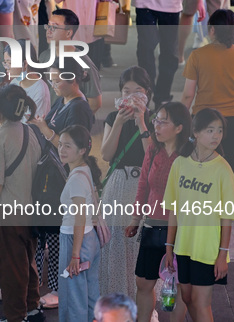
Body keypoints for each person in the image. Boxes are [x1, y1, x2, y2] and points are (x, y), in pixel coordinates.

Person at [28, 58, 94, 309]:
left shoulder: (80, 109)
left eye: (57, 79)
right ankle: (35, 281)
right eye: (52, 79)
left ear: (73, 80)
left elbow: (72, 148)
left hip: (61, 178)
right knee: (42, 228)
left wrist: (44, 128)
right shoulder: (62, 100)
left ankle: (57, 286)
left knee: (56, 232)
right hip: (48, 176)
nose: (53, 83)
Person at [115, 0, 205, 108]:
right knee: (145, 48)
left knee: (169, 53)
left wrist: (199, 0)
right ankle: (147, 93)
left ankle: (162, 95)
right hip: (144, 0)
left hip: (170, 2)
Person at [164, 108, 234, 322]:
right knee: (186, 297)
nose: (216, 136)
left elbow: (227, 216)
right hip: (183, 246)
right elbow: (173, 211)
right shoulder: (179, 164)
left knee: (201, 302)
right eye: (210, 130)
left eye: (219, 131)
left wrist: (222, 255)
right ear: (195, 132)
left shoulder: (223, 170)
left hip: (208, 249)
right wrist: (169, 248)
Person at [0, 84, 45, 322]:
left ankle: (16, 317)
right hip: (31, 212)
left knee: (10, 268)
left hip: (8, 213)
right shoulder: (30, 132)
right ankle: (32, 307)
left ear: (0, 109)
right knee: (27, 262)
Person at [124, 101, 191, 322]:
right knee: (143, 282)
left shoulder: (190, 155)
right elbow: (143, 183)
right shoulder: (153, 149)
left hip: (181, 228)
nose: (157, 126)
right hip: (153, 224)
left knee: (180, 284)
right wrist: (136, 217)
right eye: (156, 121)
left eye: (164, 122)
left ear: (179, 128)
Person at [181, 9, 234, 174]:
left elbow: (188, 95)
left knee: (201, 169)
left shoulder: (197, 56)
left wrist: (181, 118)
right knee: (228, 169)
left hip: (204, 118)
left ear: (212, 30)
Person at [99, 66, 152, 299]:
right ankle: (116, 299)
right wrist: (119, 124)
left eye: (137, 91)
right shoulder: (112, 117)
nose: (131, 96)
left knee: (140, 244)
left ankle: (140, 299)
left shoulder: (154, 119)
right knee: (116, 241)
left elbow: (152, 157)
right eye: (126, 90)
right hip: (118, 186)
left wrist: (141, 122)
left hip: (143, 187)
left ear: (147, 93)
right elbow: (107, 155)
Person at [57, 125, 102, 321]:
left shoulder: (76, 178)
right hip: (90, 239)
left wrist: (74, 255)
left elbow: (79, 216)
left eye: (68, 146)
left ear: (82, 150)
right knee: (91, 292)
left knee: (73, 296)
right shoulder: (85, 170)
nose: (61, 150)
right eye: (60, 145)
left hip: (75, 240)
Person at [39, 9, 102, 113]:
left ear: (68, 33)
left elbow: (95, 103)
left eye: (54, 27)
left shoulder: (83, 63)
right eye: (48, 26)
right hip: (47, 121)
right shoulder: (44, 57)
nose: (48, 31)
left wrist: (73, 120)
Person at [4, 41, 52, 121]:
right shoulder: (14, 83)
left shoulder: (40, 90)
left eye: (10, 63)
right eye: (5, 63)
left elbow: (35, 127)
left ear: (25, 63)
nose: (6, 67)